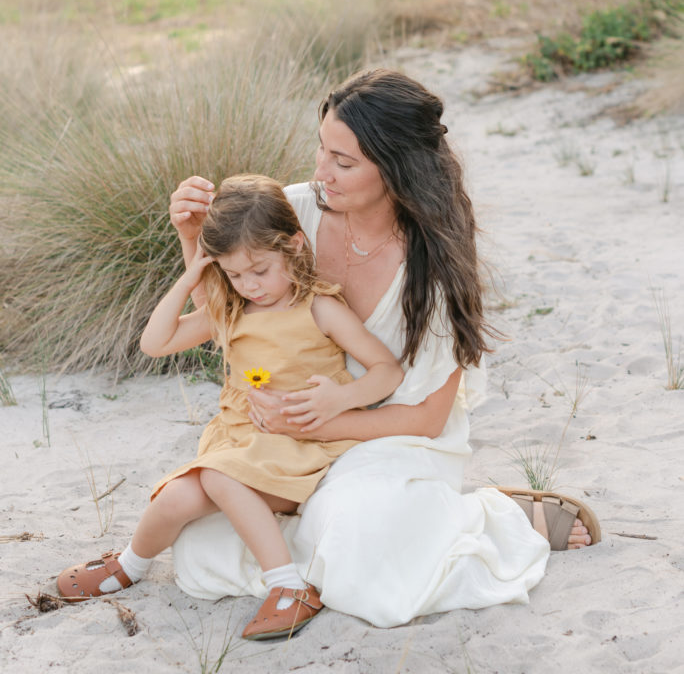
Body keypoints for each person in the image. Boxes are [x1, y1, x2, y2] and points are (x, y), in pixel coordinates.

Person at [169, 69, 601, 628]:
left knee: (358, 553)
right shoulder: (291, 213)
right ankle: (396, 523)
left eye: (343, 162)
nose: (321, 173)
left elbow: (427, 417)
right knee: (199, 553)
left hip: (390, 437)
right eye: (321, 150)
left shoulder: (435, 265)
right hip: (285, 438)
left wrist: (323, 419)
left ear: (397, 169)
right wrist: (191, 235)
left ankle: (492, 516)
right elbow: (230, 313)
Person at [56, 174, 404, 640]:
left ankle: (288, 586)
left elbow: (386, 370)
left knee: (219, 476)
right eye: (234, 274)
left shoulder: (318, 309)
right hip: (239, 440)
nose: (250, 285)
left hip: (295, 444)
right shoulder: (232, 310)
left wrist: (340, 397)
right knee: (174, 496)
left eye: (259, 270)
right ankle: (129, 565)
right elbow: (155, 342)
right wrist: (191, 276)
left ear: (295, 246)